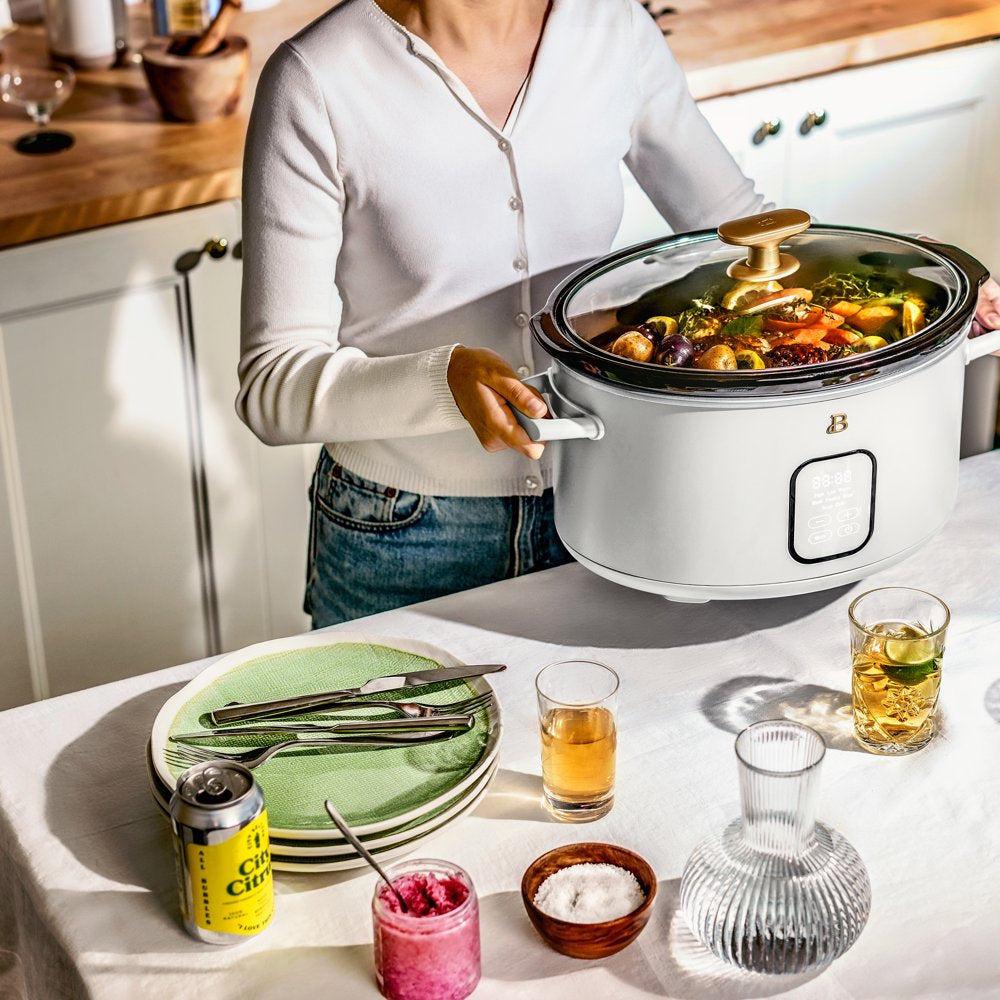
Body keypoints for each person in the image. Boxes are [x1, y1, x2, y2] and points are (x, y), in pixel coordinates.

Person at [238, 0, 1000, 629]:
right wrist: (446, 381)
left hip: (605, 497)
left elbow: (737, 226)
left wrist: (899, 273)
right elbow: (273, 385)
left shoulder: (609, 30)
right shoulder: (319, 80)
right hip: (405, 530)